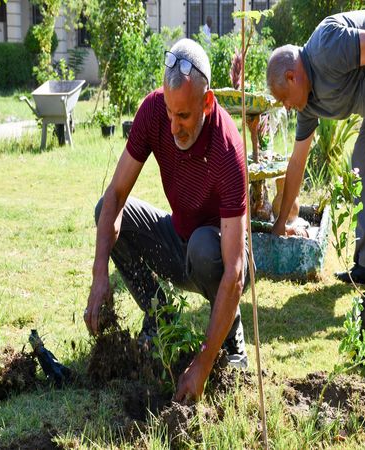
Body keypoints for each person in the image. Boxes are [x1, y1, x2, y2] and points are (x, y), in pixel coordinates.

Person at [84, 38, 249, 402]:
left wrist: (202, 365)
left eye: (185, 116)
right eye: (171, 114)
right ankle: (161, 318)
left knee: (206, 248)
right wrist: (99, 276)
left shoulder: (228, 150)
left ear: (207, 102)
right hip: (177, 238)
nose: (174, 127)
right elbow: (115, 196)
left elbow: (235, 269)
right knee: (106, 213)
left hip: (217, 253)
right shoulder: (154, 111)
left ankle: (232, 335)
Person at [266, 9, 365, 314]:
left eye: (283, 99)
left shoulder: (325, 47)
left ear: (293, 77)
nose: (287, 108)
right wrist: (281, 223)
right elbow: (298, 161)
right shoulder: (307, 103)